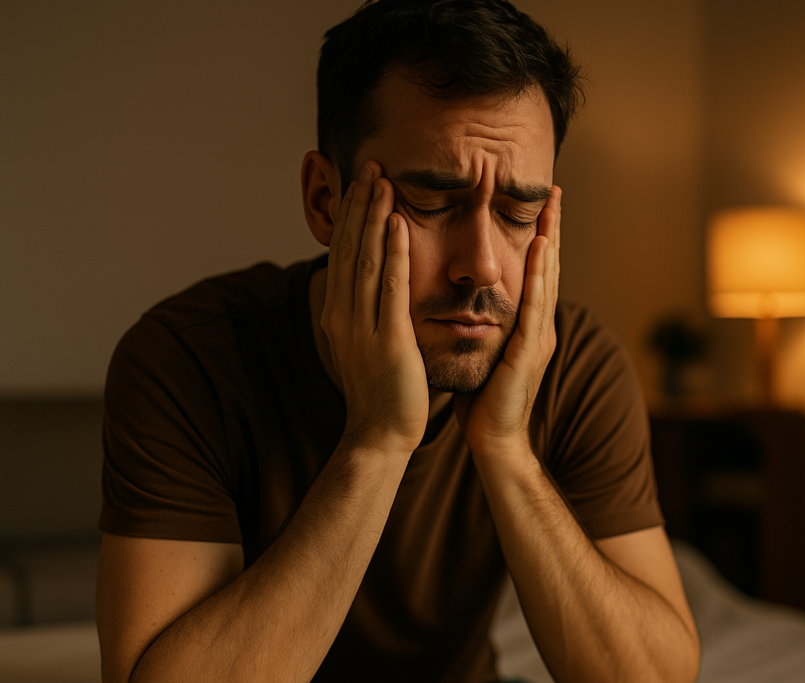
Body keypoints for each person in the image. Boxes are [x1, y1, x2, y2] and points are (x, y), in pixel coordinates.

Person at [95, 1, 700, 681]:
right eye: (433, 203)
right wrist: (376, 440)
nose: (484, 265)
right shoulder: (184, 359)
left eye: (518, 212)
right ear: (327, 200)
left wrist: (507, 452)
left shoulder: (577, 363)